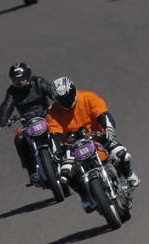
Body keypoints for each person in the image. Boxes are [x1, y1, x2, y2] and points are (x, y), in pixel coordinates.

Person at [45, 76, 140, 210]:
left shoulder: (89, 97)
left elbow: (103, 114)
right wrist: (57, 151)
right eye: (62, 99)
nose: (66, 101)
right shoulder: (52, 113)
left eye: (68, 96)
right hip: (72, 146)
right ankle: (85, 196)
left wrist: (108, 128)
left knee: (122, 155)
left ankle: (128, 173)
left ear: (73, 90)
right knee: (64, 173)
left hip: (98, 136)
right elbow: (54, 134)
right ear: (55, 98)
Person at [0, 62, 57, 186]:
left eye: (22, 78)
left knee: (62, 129)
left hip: (46, 117)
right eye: (16, 79)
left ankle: (71, 158)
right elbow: (7, 105)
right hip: (28, 123)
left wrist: (56, 97)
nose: (20, 81)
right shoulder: (12, 92)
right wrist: (3, 118)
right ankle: (32, 172)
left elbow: (50, 89)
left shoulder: (38, 82)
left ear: (28, 76)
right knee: (19, 139)